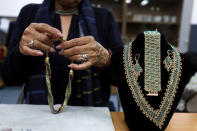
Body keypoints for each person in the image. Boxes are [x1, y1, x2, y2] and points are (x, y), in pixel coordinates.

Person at [2, 0, 123, 110]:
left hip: (93, 115)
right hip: (38, 115)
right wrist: (21, 50)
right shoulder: (29, 13)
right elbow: (9, 77)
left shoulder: (103, 17)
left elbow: (122, 78)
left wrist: (105, 58)